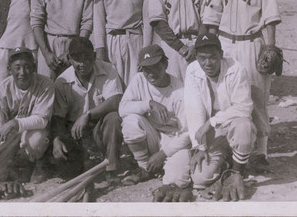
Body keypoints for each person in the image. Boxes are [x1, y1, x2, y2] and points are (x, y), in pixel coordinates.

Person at [202, 0, 281, 172]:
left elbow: (270, 16)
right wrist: (210, 49)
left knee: (257, 96)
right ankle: (232, 149)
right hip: (224, 43)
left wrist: (269, 46)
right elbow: (211, 19)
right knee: (224, 96)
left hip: (251, 42)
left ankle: (261, 153)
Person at [185, 33, 256, 201]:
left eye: (212, 58)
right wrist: (199, 147)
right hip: (212, 135)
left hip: (233, 128)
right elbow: (194, 110)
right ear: (196, 57)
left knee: (243, 125)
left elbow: (244, 108)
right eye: (202, 58)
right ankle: (226, 163)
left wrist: (212, 121)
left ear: (221, 55)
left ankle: (236, 171)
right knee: (200, 179)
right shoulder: (192, 70)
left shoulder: (236, 68)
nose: (207, 63)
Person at [0, 47, 55, 187]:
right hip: (8, 137)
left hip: (31, 133)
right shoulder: (0, 90)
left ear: (34, 67)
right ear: (9, 69)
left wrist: (14, 123)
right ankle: (10, 168)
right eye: (17, 67)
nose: (22, 73)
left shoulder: (45, 84)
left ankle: (32, 166)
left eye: (27, 67)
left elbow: (42, 120)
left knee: (37, 138)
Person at [52, 37, 124, 187]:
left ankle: (112, 168)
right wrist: (56, 140)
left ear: (95, 56)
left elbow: (116, 99)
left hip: (98, 125)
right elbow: (58, 117)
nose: (82, 64)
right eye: (77, 59)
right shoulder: (62, 80)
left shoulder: (108, 69)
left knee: (113, 118)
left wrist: (88, 115)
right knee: (66, 167)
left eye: (87, 58)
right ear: (70, 59)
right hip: (75, 132)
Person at [119, 45, 191, 190]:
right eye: (146, 69)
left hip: (174, 142)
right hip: (152, 137)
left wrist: (163, 154)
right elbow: (122, 109)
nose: (151, 73)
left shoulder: (180, 89)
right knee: (130, 121)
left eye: (155, 67)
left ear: (165, 64)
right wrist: (149, 104)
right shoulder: (139, 79)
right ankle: (145, 168)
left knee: (176, 180)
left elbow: (188, 133)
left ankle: (160, 167)